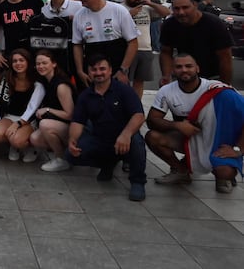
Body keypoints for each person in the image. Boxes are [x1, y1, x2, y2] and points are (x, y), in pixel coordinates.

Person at [146, 53, 243, 192]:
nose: (184, 70)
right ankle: (181, 172)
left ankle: (224, 176)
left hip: (219, 140)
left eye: (188, 66)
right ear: (173, 70)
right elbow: (152, 120)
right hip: (191, 138)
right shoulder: (166, 91)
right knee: (153, 137)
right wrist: (177, 125)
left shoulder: (218, 91)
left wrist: (238, 149)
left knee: (224, 172)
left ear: (197, 68)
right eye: (179, 67)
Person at [66, 54, 147, 201]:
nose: (98, 73)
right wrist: (72, 140)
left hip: (125, 136)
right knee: (71, 154)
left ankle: (137, 182)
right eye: (94, 69)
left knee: (136, 142)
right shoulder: (85, 96)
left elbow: (139, 115)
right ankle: (108, 164)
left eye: (102, 69)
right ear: (89, 72)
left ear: (110, 70)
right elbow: (78, 121)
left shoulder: (123, 90)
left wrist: (126, 134)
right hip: (101, 137)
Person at [72, 0, 139, 88]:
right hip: (92, 68)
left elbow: (133, 42)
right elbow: (77, 45)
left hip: (117, 66)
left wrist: (123, 70)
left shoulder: (119, 11)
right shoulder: (79, 15)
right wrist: (80, 71)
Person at [160, 0, 233, 85]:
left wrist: (225, 85)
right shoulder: (169, 24)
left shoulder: (214, 24)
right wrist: (166, 76)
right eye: (176, 9)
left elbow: (225, 57)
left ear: (195, 5)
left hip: (213, 77)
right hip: (184, 74)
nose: (181, 12)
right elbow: (166, 52)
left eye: (185, 7)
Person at [0, 49, 46, 162]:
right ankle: (14, 146)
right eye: (15, 61)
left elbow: (33, 107)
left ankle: (31, 148)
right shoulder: (7, 77)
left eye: (21, 60)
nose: (18, 64)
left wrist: (18, 123)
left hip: (29, 120)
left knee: (17, 140)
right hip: (10, 116)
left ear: (28, 62)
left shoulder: (36, 81)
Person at [29, 50, 75, 172]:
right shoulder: (45, 81)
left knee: (45, 125)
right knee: (35, 138)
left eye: (44, 63)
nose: (41, 66)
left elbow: (70, 115)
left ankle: (61, 160)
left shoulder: (61, 85)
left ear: (54, 64)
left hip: (73, 128)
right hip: (59, 125)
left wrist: (48, 110)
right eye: (38, 64)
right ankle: (66, 155)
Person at [122, 0, 170, 98]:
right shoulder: (120, 9)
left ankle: (137, 105)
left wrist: (150, 3)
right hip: (127, 50)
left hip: (145, 50)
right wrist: (129, 15)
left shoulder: (146, 8)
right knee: (124, 81)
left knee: (140, 81)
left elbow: (166, 12)